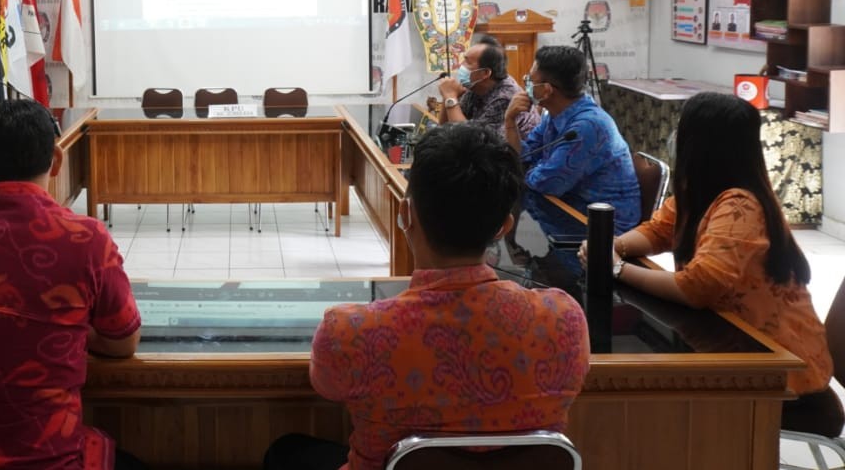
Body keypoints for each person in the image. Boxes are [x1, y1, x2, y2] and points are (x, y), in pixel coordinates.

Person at [264, 124, 590, 470]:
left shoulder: (351, 332)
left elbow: (325, 384)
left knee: (287, 452)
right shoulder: (562, 319)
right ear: (503, 227)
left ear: (405, 214)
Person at [584, 92, 842, 435]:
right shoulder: (700, 191)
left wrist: (616, 267)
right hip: (737, 354)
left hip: (782, 376)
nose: (675, 137)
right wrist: (611, 245)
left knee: (645, 413)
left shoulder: (740, 205)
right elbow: (657, 230)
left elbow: (697, 287)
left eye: (682, 129)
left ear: (703, 143)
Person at [0, 100, 144, 470]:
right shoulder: (85, 237)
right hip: (45, 458)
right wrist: (68, 326)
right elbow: (123, 342)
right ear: (57, 159)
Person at [504, 46, 640, 233]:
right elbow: (523, 156)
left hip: (602, 228)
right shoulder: (554, 114)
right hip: (564, 209)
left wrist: (530, 168)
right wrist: (510, 121)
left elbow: (547, 183)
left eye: (530, 81)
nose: (526, 86)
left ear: (547, 90)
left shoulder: (588, 126)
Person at [430, 42, 539, 137]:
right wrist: (447, 96)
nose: (461, 65)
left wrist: (451, 96)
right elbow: (445, 129)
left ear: (485, 73)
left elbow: (468, 140)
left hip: (519, 153)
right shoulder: (475, 86)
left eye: (468, 62)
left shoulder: (505, 97)